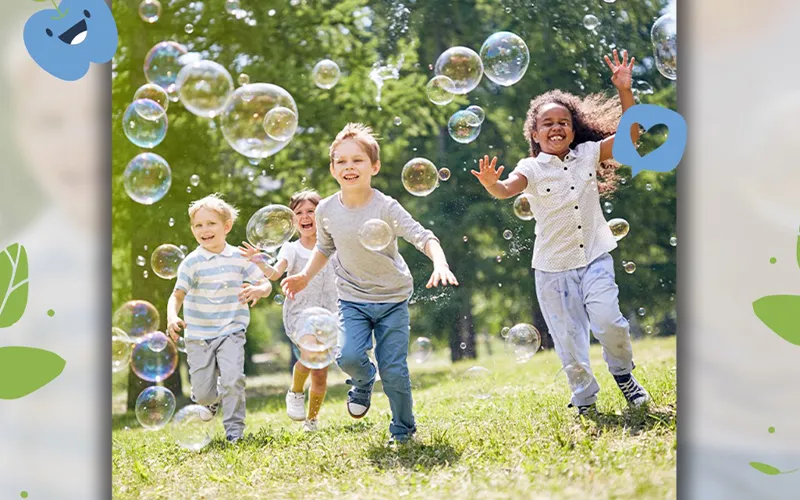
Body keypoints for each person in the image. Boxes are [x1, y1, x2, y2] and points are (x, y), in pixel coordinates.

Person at [471, 50, 650, 416]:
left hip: (595, 256)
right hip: (553, 269)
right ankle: (584, 400)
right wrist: (492, 184)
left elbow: (631, 136)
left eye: (563, 122)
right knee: (569, 343)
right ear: (534, 133)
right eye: (547, 123)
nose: (556, 127)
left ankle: (623, 375)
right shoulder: (531, 168)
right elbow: (507, 189)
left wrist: (625, 90)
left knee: (610, 322)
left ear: (574, 127)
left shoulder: (588, 153)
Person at [281, 123, 459, 445]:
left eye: (358, 160)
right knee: (347, 356)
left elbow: (423, 236)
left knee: (394, 371)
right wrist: (304, 276)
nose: (350, 166)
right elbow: (324, 247)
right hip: (352, 298)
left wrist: (440, 262)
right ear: (333, 169)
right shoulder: (326, 210)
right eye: (342, 161)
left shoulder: (386, 206)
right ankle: (363, 381)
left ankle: (403, 431)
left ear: (374, 166)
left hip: (392, 298)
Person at [166, 193, 273, 443]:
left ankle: (234, 432)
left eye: (211, 223)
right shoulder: (191, 263)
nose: (204, 230)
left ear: (226, 227)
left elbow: (265, 283)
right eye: (198, 225)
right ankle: (210, 403)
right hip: (198, 336)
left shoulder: (239, 257)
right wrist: (172, 316)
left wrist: (259, 289)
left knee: (233, 379)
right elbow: (177, 294)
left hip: (231, 331)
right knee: (203, 394)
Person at [239, 190, 337, 432]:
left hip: (331, 314)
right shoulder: (290, 249)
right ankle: (295, 391)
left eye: (311, 211)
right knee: (310, 354)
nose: (305, 217)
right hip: (301, 313)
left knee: (321, 374)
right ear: (293, 220)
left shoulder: (334, 244)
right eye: (299, 213)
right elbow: (274, 274)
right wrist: (259, 261)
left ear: (321, 215)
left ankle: (312, 420)